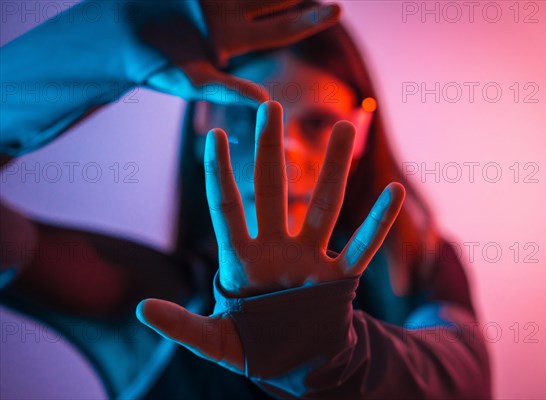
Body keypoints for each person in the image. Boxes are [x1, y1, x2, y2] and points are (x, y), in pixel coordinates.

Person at [0, 0, 492, 398]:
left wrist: (325, 355)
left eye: (317, 123)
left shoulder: (421, 262)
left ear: (360, 132)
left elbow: (463, 380)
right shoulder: (149, 297)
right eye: (246, 119)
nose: (281, 154)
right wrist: (96, 47)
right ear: (201, 124)